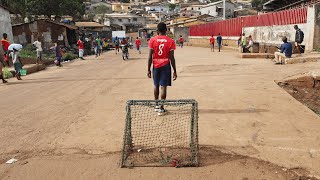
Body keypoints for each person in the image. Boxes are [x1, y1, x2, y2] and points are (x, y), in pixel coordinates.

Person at [148, 22, 177, 115]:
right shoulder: (170, 41)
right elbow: (172, 57)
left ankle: (156, 105)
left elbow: (149, 57)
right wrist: (175, 71)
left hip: (156, 65)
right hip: (165, 65)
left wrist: (148, 69)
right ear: (166, 30)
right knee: (163, 87)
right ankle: (161, 108)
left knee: (156, 85)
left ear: (157, 31)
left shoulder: (152, 40)